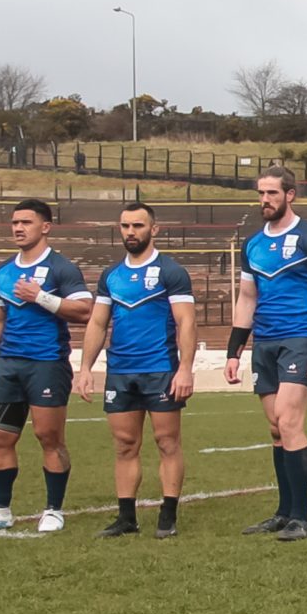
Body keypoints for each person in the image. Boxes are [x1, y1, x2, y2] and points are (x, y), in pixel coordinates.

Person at [0, 199, 93, 533]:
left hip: (47, 364)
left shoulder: (61, 268)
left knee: (49, 437)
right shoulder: (3, 271)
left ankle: (53, 510)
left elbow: (84, 310)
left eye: (26, 222)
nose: (18, 228)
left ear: (45, 227)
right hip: (8, 366)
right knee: (0, 438)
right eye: (15, 222)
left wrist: (40, 297)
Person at [226, 167, 307, 542]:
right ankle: (284, 511)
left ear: (290, 195)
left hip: (301, 339)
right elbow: (247, 299)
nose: (265, 200)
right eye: (261, 193)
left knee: (289, 421)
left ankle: (301, 518)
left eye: (272, 193)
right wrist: (233, 352)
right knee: (276, 428)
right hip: (265, 343)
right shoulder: (253, 244)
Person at [72, 201, 196, 538]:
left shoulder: (171, 272)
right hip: (121, 371)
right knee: (125, 444)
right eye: (125, 226)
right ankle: (126, 517)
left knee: (167, 442)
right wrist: (85, 368)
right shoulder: (111, 276)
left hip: (160, 369)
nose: (131, 232)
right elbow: (98, 323)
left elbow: (186, 322)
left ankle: (167, 514)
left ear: (154, 229)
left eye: (138, 226)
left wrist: (185, 368)